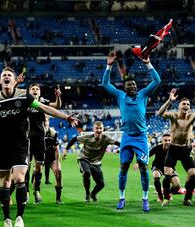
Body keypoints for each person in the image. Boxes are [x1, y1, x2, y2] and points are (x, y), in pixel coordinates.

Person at [0, 67, 77, 227]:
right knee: (5, 182)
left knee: (19, 178)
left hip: (21, 144)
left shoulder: (24, 95)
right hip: (1, 145)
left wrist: (66, 117)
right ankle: (7, 219)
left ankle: (20, 217)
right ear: (0, 81)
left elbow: (44, 108)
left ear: (14, 80)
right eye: (4, 75)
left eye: (9, 75)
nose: (7, 77)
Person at [102, 51, 161, 212]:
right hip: (127, 137)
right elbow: (105, 84)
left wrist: (147, 63)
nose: (133, 86)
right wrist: (108, 65)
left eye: (134, 85)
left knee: (143, 168)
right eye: (130, 85)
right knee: (123, 168)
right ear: (125, 87)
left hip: (141, 138)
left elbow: (157, 80)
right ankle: (121, 198)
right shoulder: (120, 95)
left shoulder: (143, 94)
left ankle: (145, 199)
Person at [158, 88, 195, 206]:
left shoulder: (192, 116)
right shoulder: (173, 115)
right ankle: (166, 198)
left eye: (188, 104)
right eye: (184, 104)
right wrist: (169, 100)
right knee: (167, 176)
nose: (186, 105)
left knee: (193, 175)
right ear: (179, 106)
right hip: (173, 148)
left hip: (184, 149)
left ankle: (187, 199)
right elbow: (160, 113)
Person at [63, 121, 120, 203]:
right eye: (97, 128)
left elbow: (119, 144)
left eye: (100, 128)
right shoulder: (87, 137)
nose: (99, 130)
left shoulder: (106, 138)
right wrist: (65, 150)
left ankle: (92, 194)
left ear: (103, 129)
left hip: (96, 163)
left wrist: (119, 149)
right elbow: (74, 139)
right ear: (93, 129)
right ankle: (87, 194)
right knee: (86, 173)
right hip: (84, 159)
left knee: (101, 184)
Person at [28, 84, 62, 204]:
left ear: (40, 92)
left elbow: (57, 106)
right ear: (29, 92)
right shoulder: (25, 101)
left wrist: (58, 97)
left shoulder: (43, 102)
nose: (35, 90)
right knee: (25, 167)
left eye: (37, 89)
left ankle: (36, 190)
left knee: (38, 166)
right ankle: (25, 191)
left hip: (39, 138)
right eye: (33, 89)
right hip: (26, 138)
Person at [149, 133, 181, 202]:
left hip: (169, 167)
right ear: (162, 141)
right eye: (165, 140)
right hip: (158, 166)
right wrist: (139, 162)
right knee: (156, 176)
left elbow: (182, 157)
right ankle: (160, 195)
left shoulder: (174, 149)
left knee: (177, 186)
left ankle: (167, 193)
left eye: (169, 140)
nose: (167, 142)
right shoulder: (157, 148)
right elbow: (148, 155)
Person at [43, 116, 63, 204]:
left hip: (52, 159)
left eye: (46, 121)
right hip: (40, 159)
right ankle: (36, 195)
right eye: (42, 121)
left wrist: (58, 165)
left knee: (58, 174)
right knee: (36, 175)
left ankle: (58, 198)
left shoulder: (53, 133)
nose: (44, 123)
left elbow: (57, 149)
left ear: (48, 122)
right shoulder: (35, 133)